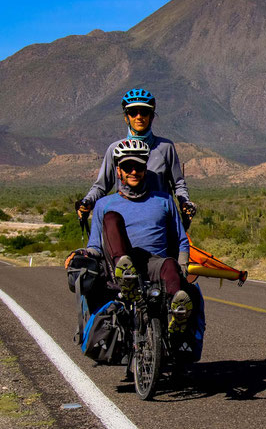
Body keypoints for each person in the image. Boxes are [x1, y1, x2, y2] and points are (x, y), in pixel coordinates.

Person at [78, 139, 200, 336]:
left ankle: (178, 309)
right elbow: (95, 246)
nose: (134, 171)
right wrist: (82, 255)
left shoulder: (165, 200)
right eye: (128, 167)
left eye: (139, 167)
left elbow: (181, 239)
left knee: (169, 265)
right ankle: (126, 274)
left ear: (146, 170)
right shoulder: (104, 205)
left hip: (153, 262)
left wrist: (182, 265)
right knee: (112, 219)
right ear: (119, 171)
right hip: (119, 264)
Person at [77, 88, 196, 227]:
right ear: (126, 117)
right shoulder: (115, 149)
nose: (139, 117)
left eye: (144, 112)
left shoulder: (165, 147)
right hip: (127, 219)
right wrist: (87, 202)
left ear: (151, 116)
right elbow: (101, 186)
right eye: (133, 112)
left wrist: (184, 202)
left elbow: (178, 184)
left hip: (160, 221)